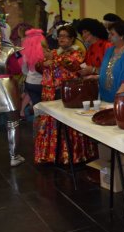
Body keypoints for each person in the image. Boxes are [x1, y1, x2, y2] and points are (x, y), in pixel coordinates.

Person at [34, 24, 96, 164]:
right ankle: (51, 156)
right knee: (50, 123)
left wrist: (54, 59)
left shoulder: (77, 53)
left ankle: (71, 156)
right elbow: (38, 66)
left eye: (65, 36)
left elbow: (72, 64)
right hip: (50, 92)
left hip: (68, 94)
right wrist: (44, 64)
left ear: (72, 39)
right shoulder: (55, 52)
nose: (61, 39)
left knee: (68, 123)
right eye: (59, 36)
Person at [0, 9, 25, 167]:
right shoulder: (9, 49)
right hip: (7, 87)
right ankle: (14, 156)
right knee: (13, 122)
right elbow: (18, 70)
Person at [21, 28, 45, 107]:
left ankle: (35, 118)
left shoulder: (25, 54)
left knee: (36, 106)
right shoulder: (46, 53)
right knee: (44, 108)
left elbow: (24, 70)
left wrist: (30, 73)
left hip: (30, 82)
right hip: (42, 83)